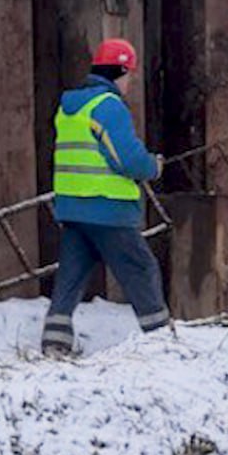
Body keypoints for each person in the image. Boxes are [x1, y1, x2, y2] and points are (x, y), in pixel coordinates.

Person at [41, 38, 169, 356]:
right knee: (141, 268)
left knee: (71, 276)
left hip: (73, 209)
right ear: (121, 71)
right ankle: (162, 341)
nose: (130, 82)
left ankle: (54, 342)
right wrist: (153, 166)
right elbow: (125, 158)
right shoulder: (108, 106)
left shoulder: (70, 108)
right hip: (107, 209)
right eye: (130, 75)